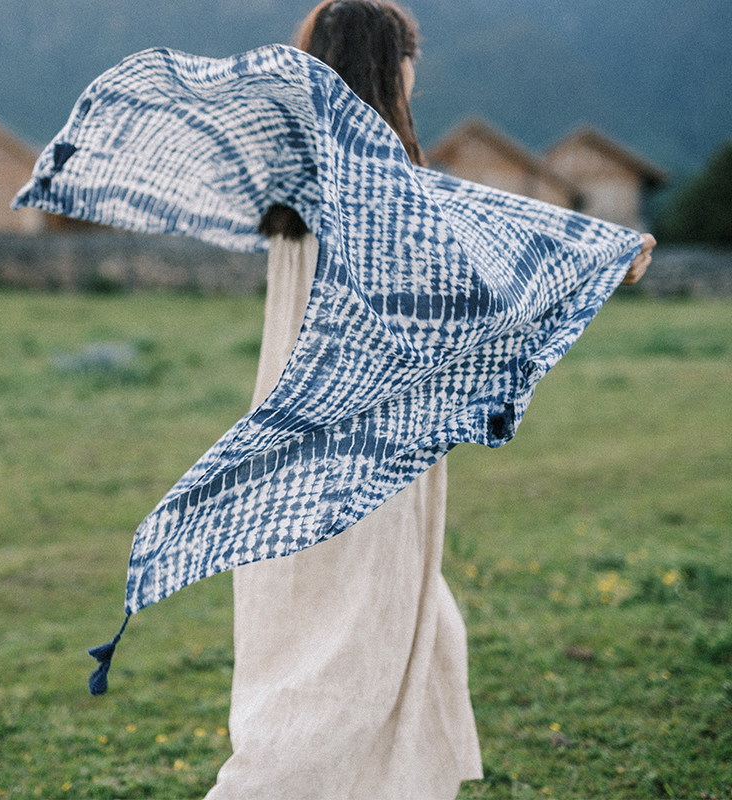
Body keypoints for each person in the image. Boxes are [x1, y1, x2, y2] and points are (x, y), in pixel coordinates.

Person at [203, 3, 655, 799]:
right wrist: (604, 253)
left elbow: (467, 237)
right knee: (343, 662)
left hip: (307, 440)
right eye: (408, 60)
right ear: (387, 68)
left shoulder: (305, 174)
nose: (417, 74)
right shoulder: (374, 187)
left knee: (412, 635)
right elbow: (488, 253)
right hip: (355, 454)